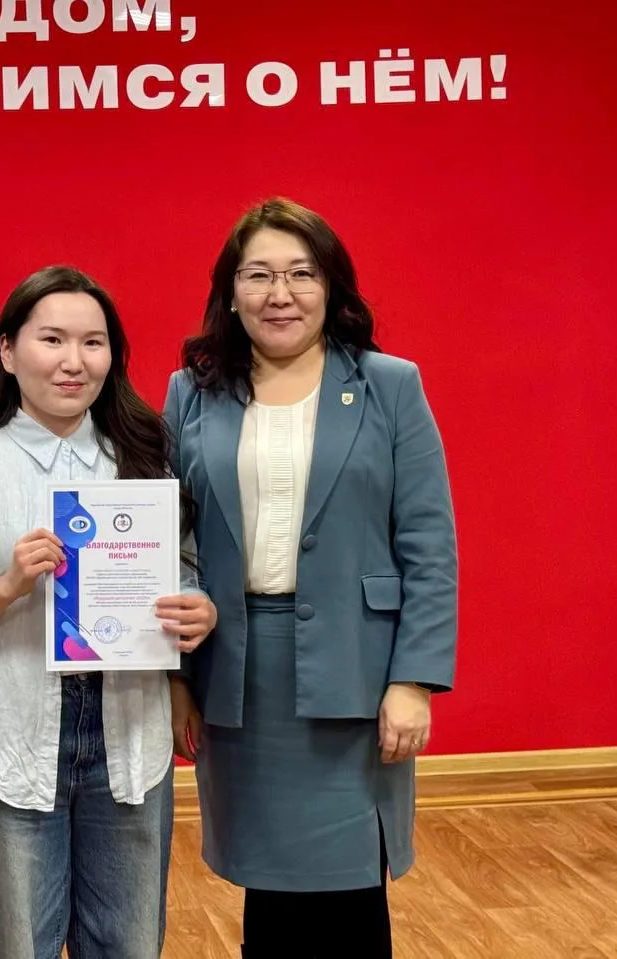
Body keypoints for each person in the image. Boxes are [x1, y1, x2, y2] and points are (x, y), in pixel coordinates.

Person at [163, 198, 459, 958]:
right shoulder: (192, 391)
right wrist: (174, 677)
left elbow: (428, 544)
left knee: (350, 886)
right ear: (231, 292)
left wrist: (415, 680)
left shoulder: (390, 385)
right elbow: (172, 542)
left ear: (331, 286)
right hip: (238, 675)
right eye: (258, 275)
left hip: (355, 675)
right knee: (268, 885)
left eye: (301, 273)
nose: (280, 293)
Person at [0, 265, 218, 959]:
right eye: (52, 339)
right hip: (9, 740)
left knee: (130, 945)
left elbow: (186, 571)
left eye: (93, 343)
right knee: (17, 947)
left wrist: (197, 610)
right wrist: (8, 585)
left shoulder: (144, 458)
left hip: (129, 736)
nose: (74, 361)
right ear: (9, 352)